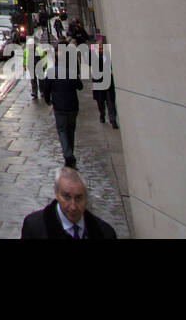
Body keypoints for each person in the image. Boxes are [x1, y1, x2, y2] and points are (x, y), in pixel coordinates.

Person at [20, 166, 117, 239]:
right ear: (56, 193)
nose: (73, 207)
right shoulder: (34, 227)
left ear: (86, 198)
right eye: (67, 197)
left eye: (78, 198)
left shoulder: (105, 233)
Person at [45, 39, 83, 167]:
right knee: (71, 130)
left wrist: (47, 100)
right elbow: (80, 86)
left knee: (62, 130)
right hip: (73, 106)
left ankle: (68, 155)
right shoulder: (71, 72)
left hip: (59, 107)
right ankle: (70, 154)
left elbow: (46, 89)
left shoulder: (51, 73)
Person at [92, 39, 118, 128]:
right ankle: (102, 114)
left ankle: (113, 120)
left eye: (102, 47)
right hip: (99, 82)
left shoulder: (108, 55)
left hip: (108, 81)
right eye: (99, 47)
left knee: (110, 101)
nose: (100, 49)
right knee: (100, 101)